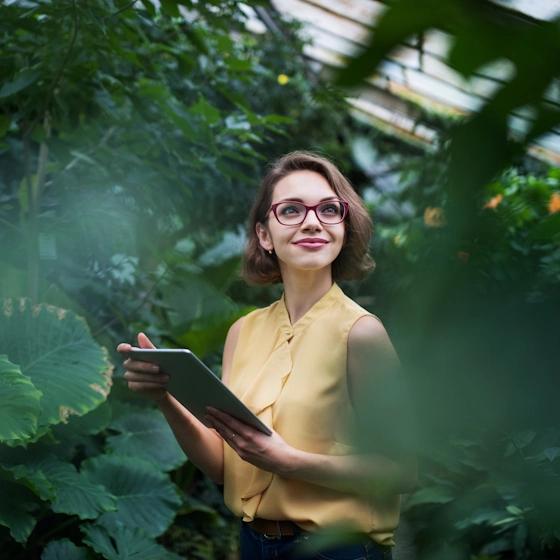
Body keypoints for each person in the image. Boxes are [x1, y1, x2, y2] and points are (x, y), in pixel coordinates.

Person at [118, 151, 417, 560]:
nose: (312, 221)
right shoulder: (244, 331)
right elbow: (224, 466)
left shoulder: (362, 333)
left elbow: (403, 471)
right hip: (254, 545)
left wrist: (290, 461)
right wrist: (163, 397)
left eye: (329, 209)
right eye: (291, 210)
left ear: (344, 227)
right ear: (264, 234)